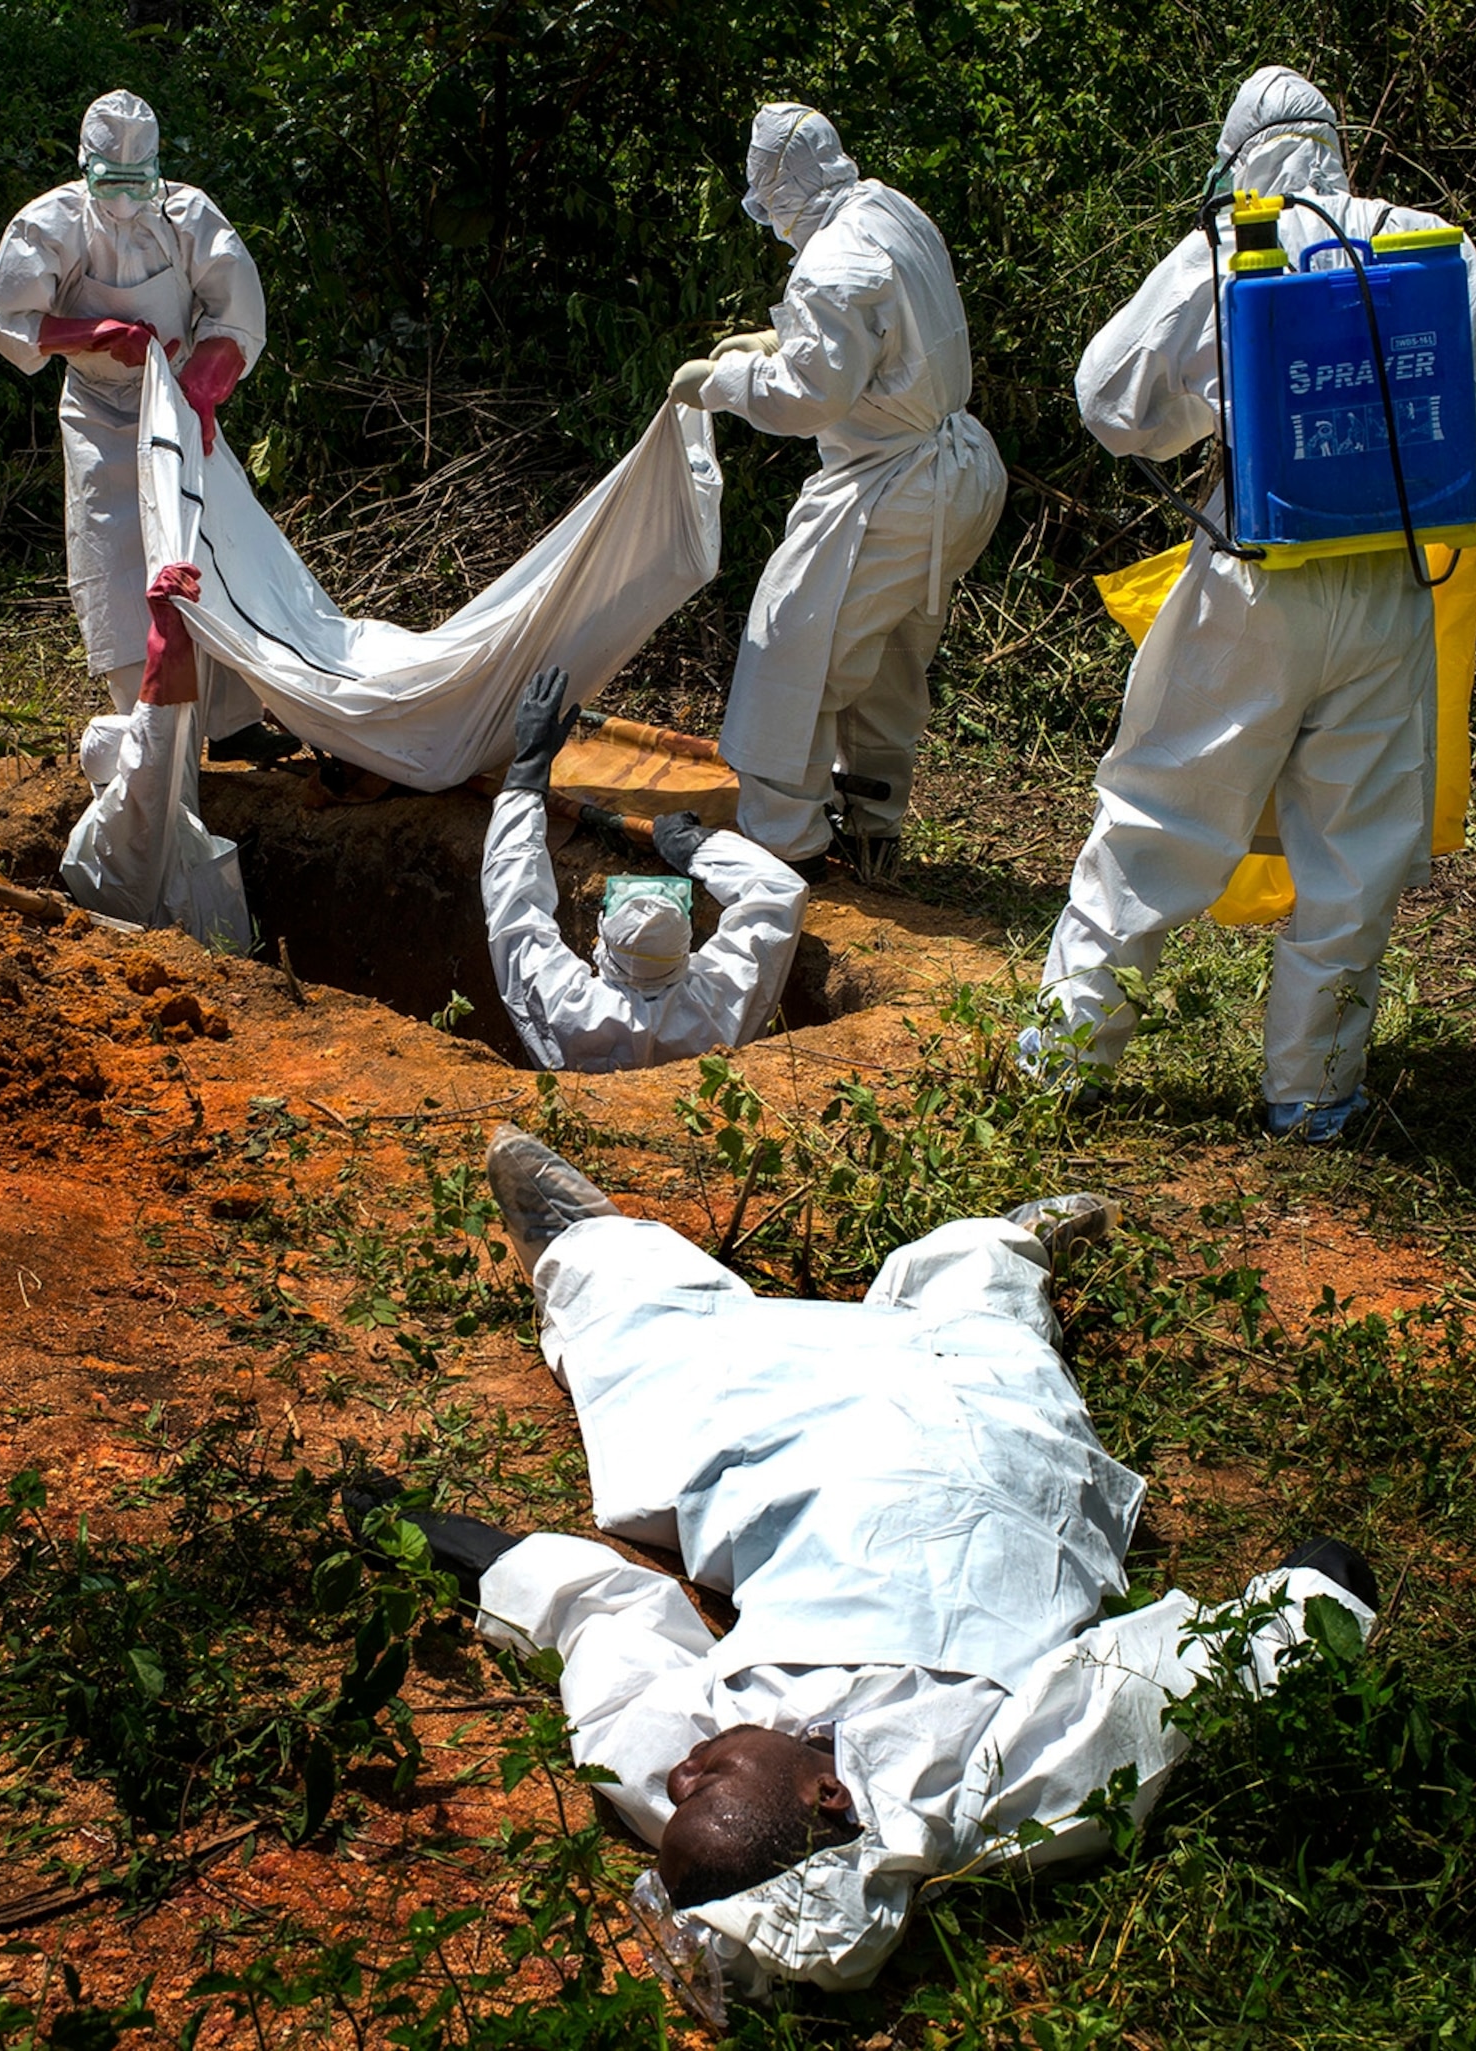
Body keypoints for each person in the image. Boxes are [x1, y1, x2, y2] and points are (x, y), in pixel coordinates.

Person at [419, 1124, 1378, 2001]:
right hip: (991, 1475)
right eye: (705, 1785)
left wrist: (445, 1541)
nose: (677, 1779)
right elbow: (1163, 1692)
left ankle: (589, 1246)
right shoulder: (996, 1791)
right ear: (826, 1797)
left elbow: (602, 1624)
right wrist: (1310, 1597)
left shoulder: (689, 1774)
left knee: (668, 1376)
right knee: (984, 1344)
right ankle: (1006, 1249)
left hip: (796, 1478)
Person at [1033, 66, 1476, 1140]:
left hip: (1256, 579)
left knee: (1158, 817)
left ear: (1239, 157)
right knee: (1354, 854)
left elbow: (1108, 401)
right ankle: (1312, 1098)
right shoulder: (1431, 246)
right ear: (1336, 146)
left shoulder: (1234, 246)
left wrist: (1205, 397)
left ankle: (1064, 1064)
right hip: (1395, 583)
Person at [668, 105, 1006, 885]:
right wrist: (777, 339)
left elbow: (813, 394)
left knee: (792, 643)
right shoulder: (889, 208)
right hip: (955, 470)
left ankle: (786, 842)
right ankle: (873, 825)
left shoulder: (829, 260)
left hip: (896, 486)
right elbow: (881, 341)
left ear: (779, 189)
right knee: (886, 657)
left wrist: (727, 382)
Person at [0, 90, 269, 742]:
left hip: (180, 408)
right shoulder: (49, 226)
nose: (128, 198)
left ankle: (233, 721)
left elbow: (235, 310)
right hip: (98, 412)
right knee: (115, 558)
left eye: (141, 181)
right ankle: (149, 727)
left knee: (211, 546)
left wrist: (205, 379)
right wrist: (96, 334)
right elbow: (9, 318)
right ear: (86, 168)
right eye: (112, 181)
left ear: (158, 168)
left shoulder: (188, 215)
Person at [482, 667, 808, 1072]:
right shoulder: (719, 1004)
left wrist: (528, 767)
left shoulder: (570, 1007)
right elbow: (777, 891)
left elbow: (512, 902)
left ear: (600, 938)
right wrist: (694, 846)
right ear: (690, 945)